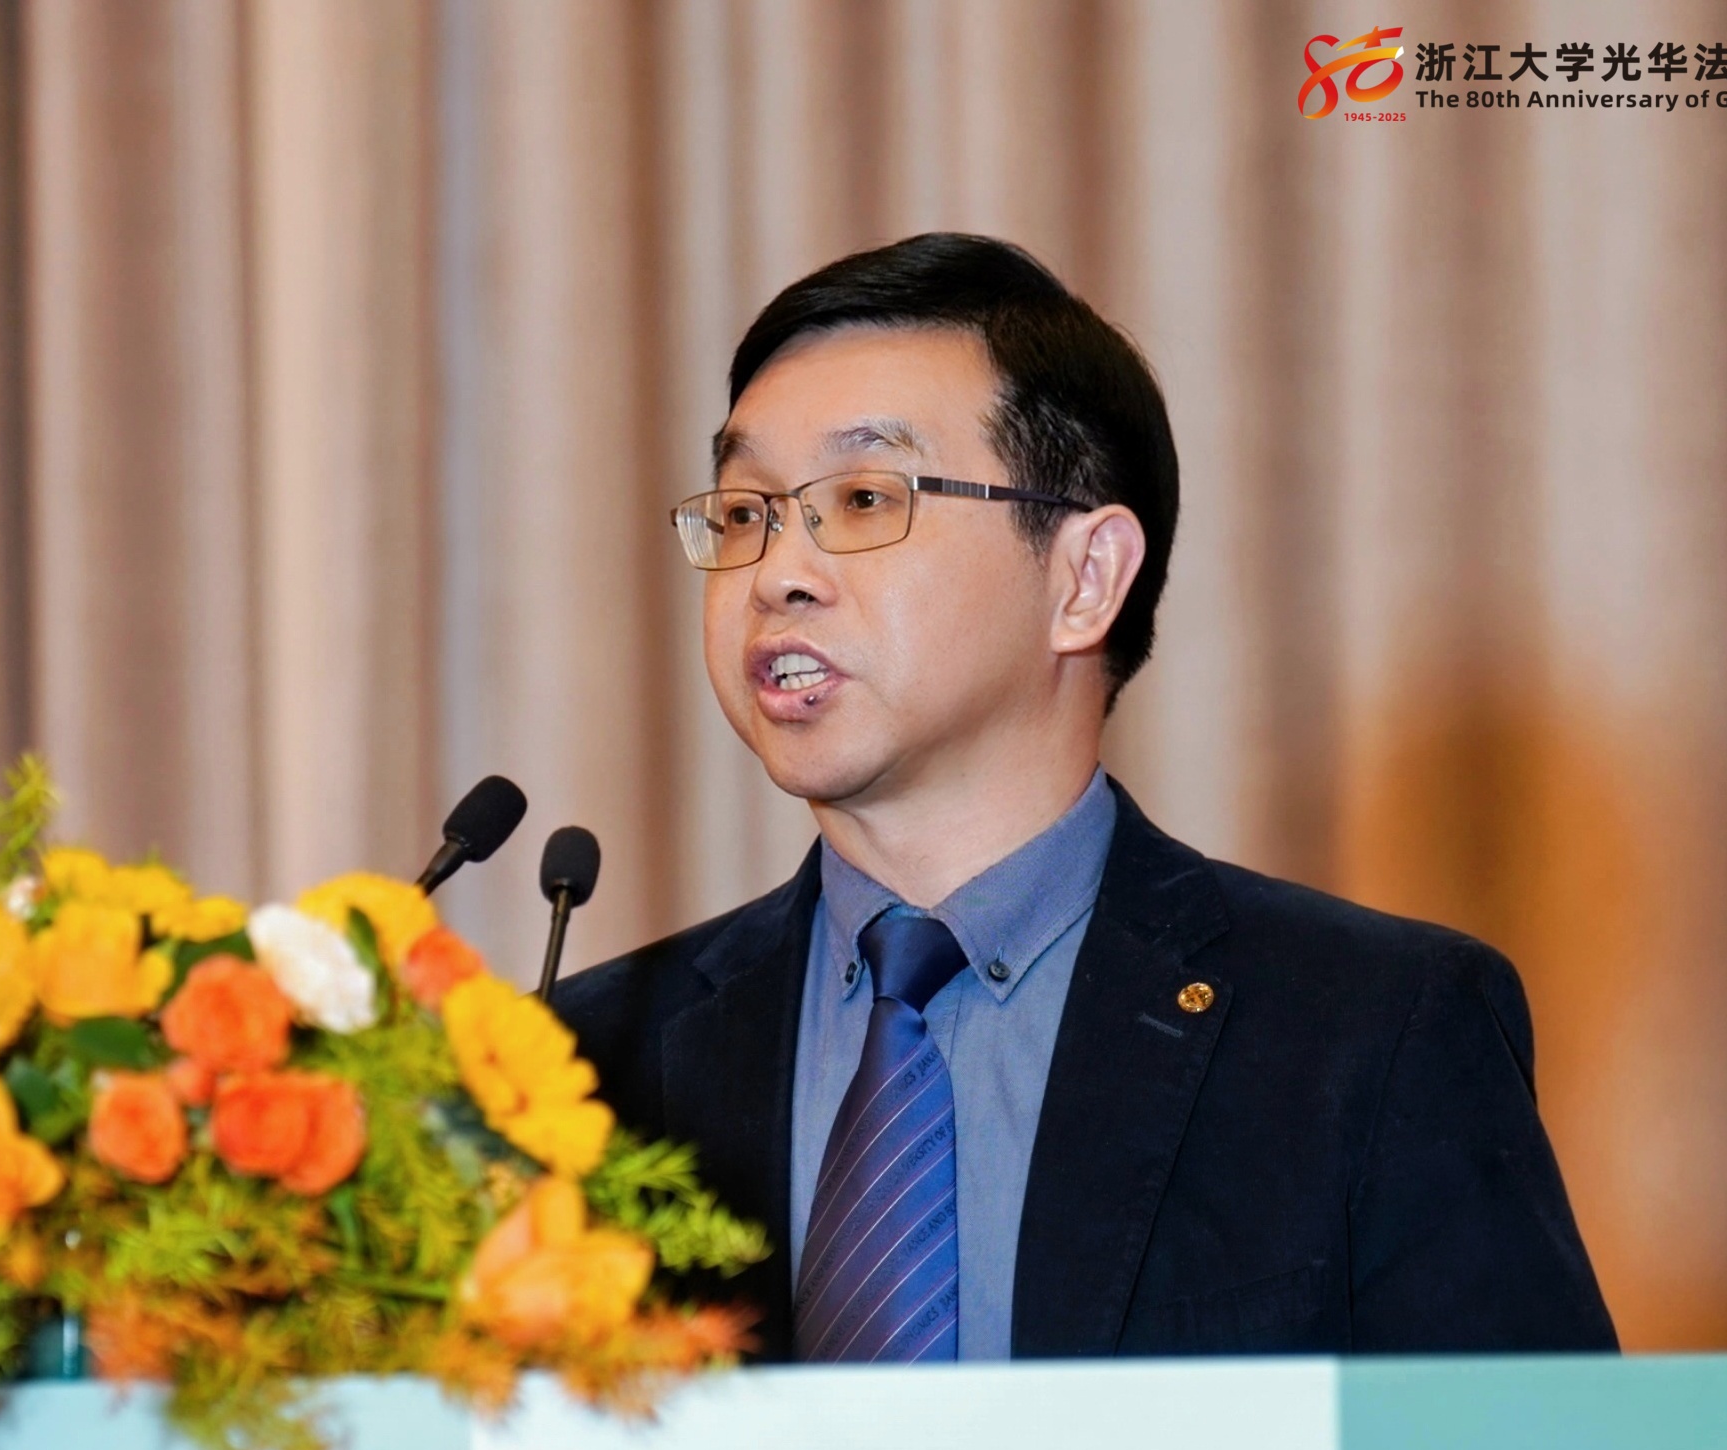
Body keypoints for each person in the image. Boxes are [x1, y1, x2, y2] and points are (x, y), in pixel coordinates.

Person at [552, 233, 1616, 1361]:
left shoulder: (1367, 1033)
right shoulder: (580, 1065)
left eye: (862, 498)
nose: (777, 575)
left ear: (1085, 577)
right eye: (742, 513)